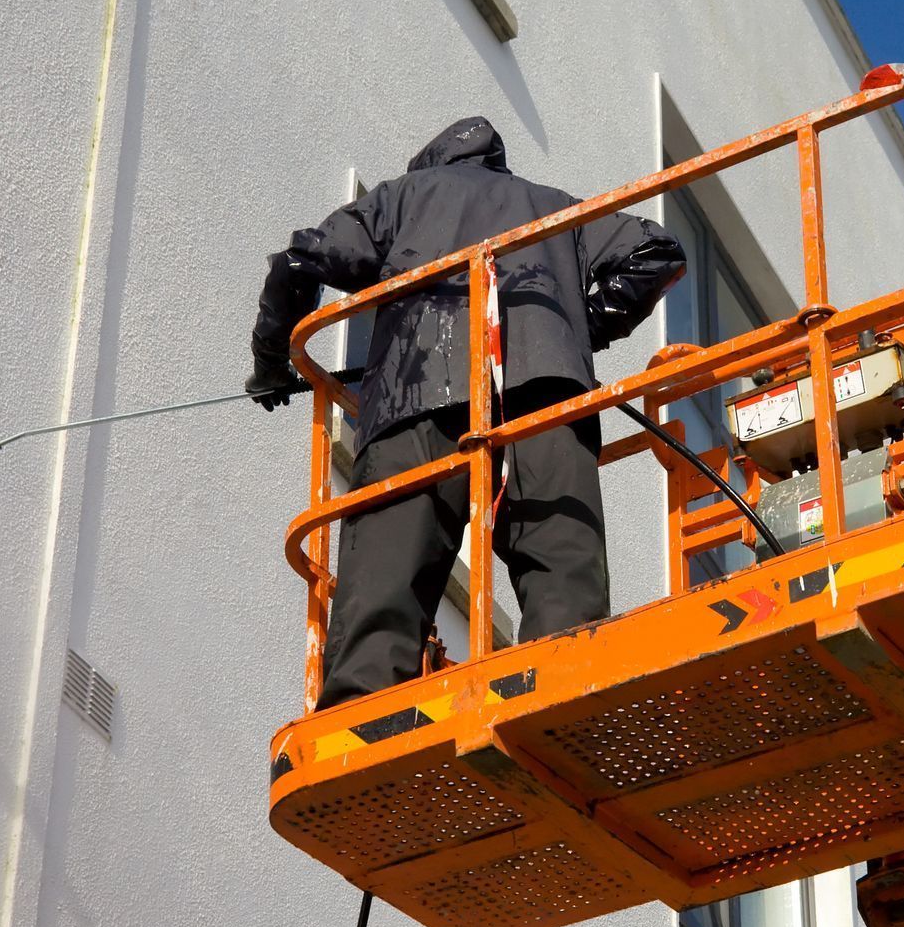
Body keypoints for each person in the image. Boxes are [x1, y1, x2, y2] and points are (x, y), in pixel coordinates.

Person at [246, 116, 686, 710]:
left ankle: (360, 718)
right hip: (545, 393)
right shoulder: (555, 208)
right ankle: (561, 693)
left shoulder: (405, 196)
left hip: (414, 396)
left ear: (431, 163)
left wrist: (273, 362)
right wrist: (571, 331)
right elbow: (658, 252)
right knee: (562, 571)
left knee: (385, 580)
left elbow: (300, 264)